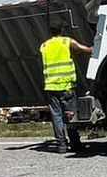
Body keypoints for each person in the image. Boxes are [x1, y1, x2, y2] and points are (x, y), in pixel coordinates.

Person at [39, 26, 93, 155]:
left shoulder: (44, 45)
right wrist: (93, 48)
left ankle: (61, 145)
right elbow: (83, 49)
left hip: (51, 87)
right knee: (70, 115)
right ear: (62, 31)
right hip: (66, 86)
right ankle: (75, 142)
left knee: (56, 116)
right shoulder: (66, 41)